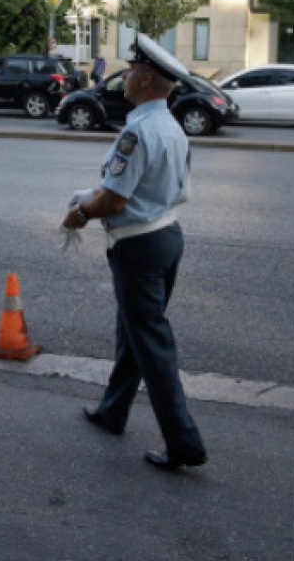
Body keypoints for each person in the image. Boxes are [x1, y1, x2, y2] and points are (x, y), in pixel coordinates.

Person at [63, 33, 206, 471]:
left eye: (130, 72)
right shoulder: (172, 127)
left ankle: (184, 442)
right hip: (166, 236)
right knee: (134, 332)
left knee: (151, 343)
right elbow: (155, 189)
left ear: (145, 80)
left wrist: (81, 214)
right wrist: (93, 196)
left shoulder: (137, 131)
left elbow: (115, 201)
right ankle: (113, 411)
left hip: (139, 246)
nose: (123, 78)